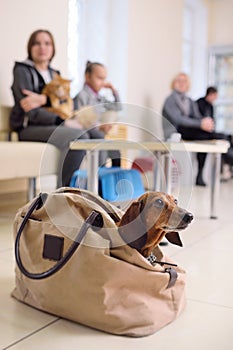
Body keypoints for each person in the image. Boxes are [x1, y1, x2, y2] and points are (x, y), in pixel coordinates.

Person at [10, 29, 97, 188]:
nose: (42, 47)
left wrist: (43, 99)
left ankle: (100, 190)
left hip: (54, 123)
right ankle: (65, 194)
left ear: (53, 48)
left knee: (97, 133)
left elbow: (66, 102)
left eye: (47, 43)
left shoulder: (55, 74)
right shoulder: (22, 70)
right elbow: (29, 108)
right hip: (30, 127)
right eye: (37, 43)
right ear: (30, 47)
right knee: (79, 136)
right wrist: (57, 113)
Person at [162, 72, 230, 186]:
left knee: (207, 137)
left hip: (189, 131)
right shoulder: (170, 100)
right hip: (176, 132)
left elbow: (198, 117)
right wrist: (200, 124)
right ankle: (224, 145)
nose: (182, 83)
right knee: (211, 136)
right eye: (179, 80)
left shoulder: (189, 101)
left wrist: (205, 123)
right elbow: (179, 119)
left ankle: (200, 174)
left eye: (185, 81)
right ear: (174, 83)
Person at [73, 61, 122, 166]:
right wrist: (99, 127)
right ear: (87, 77)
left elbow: (118, 107)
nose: (102, 83)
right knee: (100, 142)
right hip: (88, 133)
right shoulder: (82, 96)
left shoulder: (100, 98)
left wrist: (113, 90)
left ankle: (113, 180)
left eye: (104, 79)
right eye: (99, 78)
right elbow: (80, 121)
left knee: (116, 152)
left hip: (98, 132)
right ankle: (98, 177)